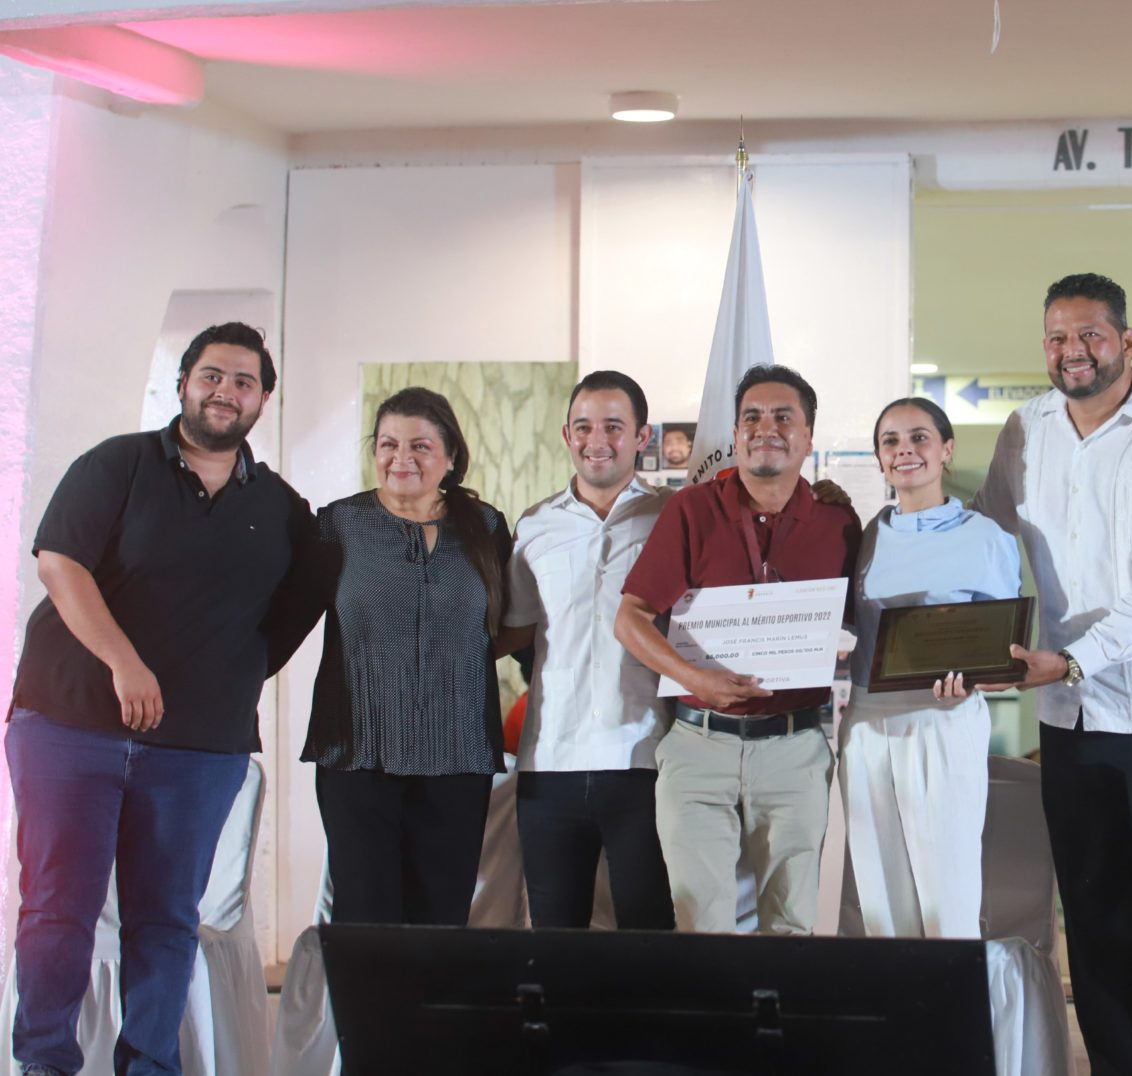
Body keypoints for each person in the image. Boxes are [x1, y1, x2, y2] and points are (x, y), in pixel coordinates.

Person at [7, 323, 313, 1076]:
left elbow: (289, 617)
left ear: (263, 400)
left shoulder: (281, 508)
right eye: (211, 375)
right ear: (183, 384)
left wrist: (221, 679)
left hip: (198, 748)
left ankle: (149, 1065)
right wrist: (125, 663)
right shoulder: (118, 464)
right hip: (68, 723)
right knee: (58, 908)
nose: (225, 392)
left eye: (243, 381)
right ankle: (44, 1062)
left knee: (168, 921)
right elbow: (60, 564)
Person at [974, 272, 1132, 1074]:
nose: (1072, 351)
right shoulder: (1026, 427)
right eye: (1057, 337)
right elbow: (985, 535)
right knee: (1092, 912)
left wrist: (1075, 659)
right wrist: (903, 531)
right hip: (1070, 714)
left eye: (1090, 334)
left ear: (1126, 340)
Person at [615, 364, 860, 934]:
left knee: (791, 926)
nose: (765, 428)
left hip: (795, 747)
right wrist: (695, 678)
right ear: (735, 432)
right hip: (699, 746)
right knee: (701, 928)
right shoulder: (691, 509)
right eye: (752, 416)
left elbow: (864, 624)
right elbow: (630, 618)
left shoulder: (837, 522)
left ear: (808, 436)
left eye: (783, 417)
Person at [300, 386, 512, 926]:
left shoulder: (487, 527)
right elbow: (283, 617)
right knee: (364, 921)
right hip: (357, 752)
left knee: (441, 923)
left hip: (459, 753)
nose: (402, 458)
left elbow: (514, 627)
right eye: (389, 444)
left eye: (420, 445)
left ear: (450, 456)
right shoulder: (337, 525)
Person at [498, 370, 675, 929]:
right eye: (583, 427)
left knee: (649, 937)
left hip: (646, 758)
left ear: (642, 436)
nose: (597, 440)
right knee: (556, 940)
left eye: (613, 427)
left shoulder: (673, 517)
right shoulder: (535, 526)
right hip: (550, 761)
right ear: (566, 435)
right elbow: (516, 631)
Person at [841, 397, 1021, 938]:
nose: (905, 450)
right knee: (879, 897)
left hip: (944, 720)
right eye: (891, 441)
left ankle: (952, 993)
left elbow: (1004, 648)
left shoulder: (985, 536)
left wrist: (972, 679)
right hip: (868, 721)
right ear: (879, 458)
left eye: (919, 437)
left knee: (947, 893)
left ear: (946, 449)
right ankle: (895, 995)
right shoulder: (866, 537)